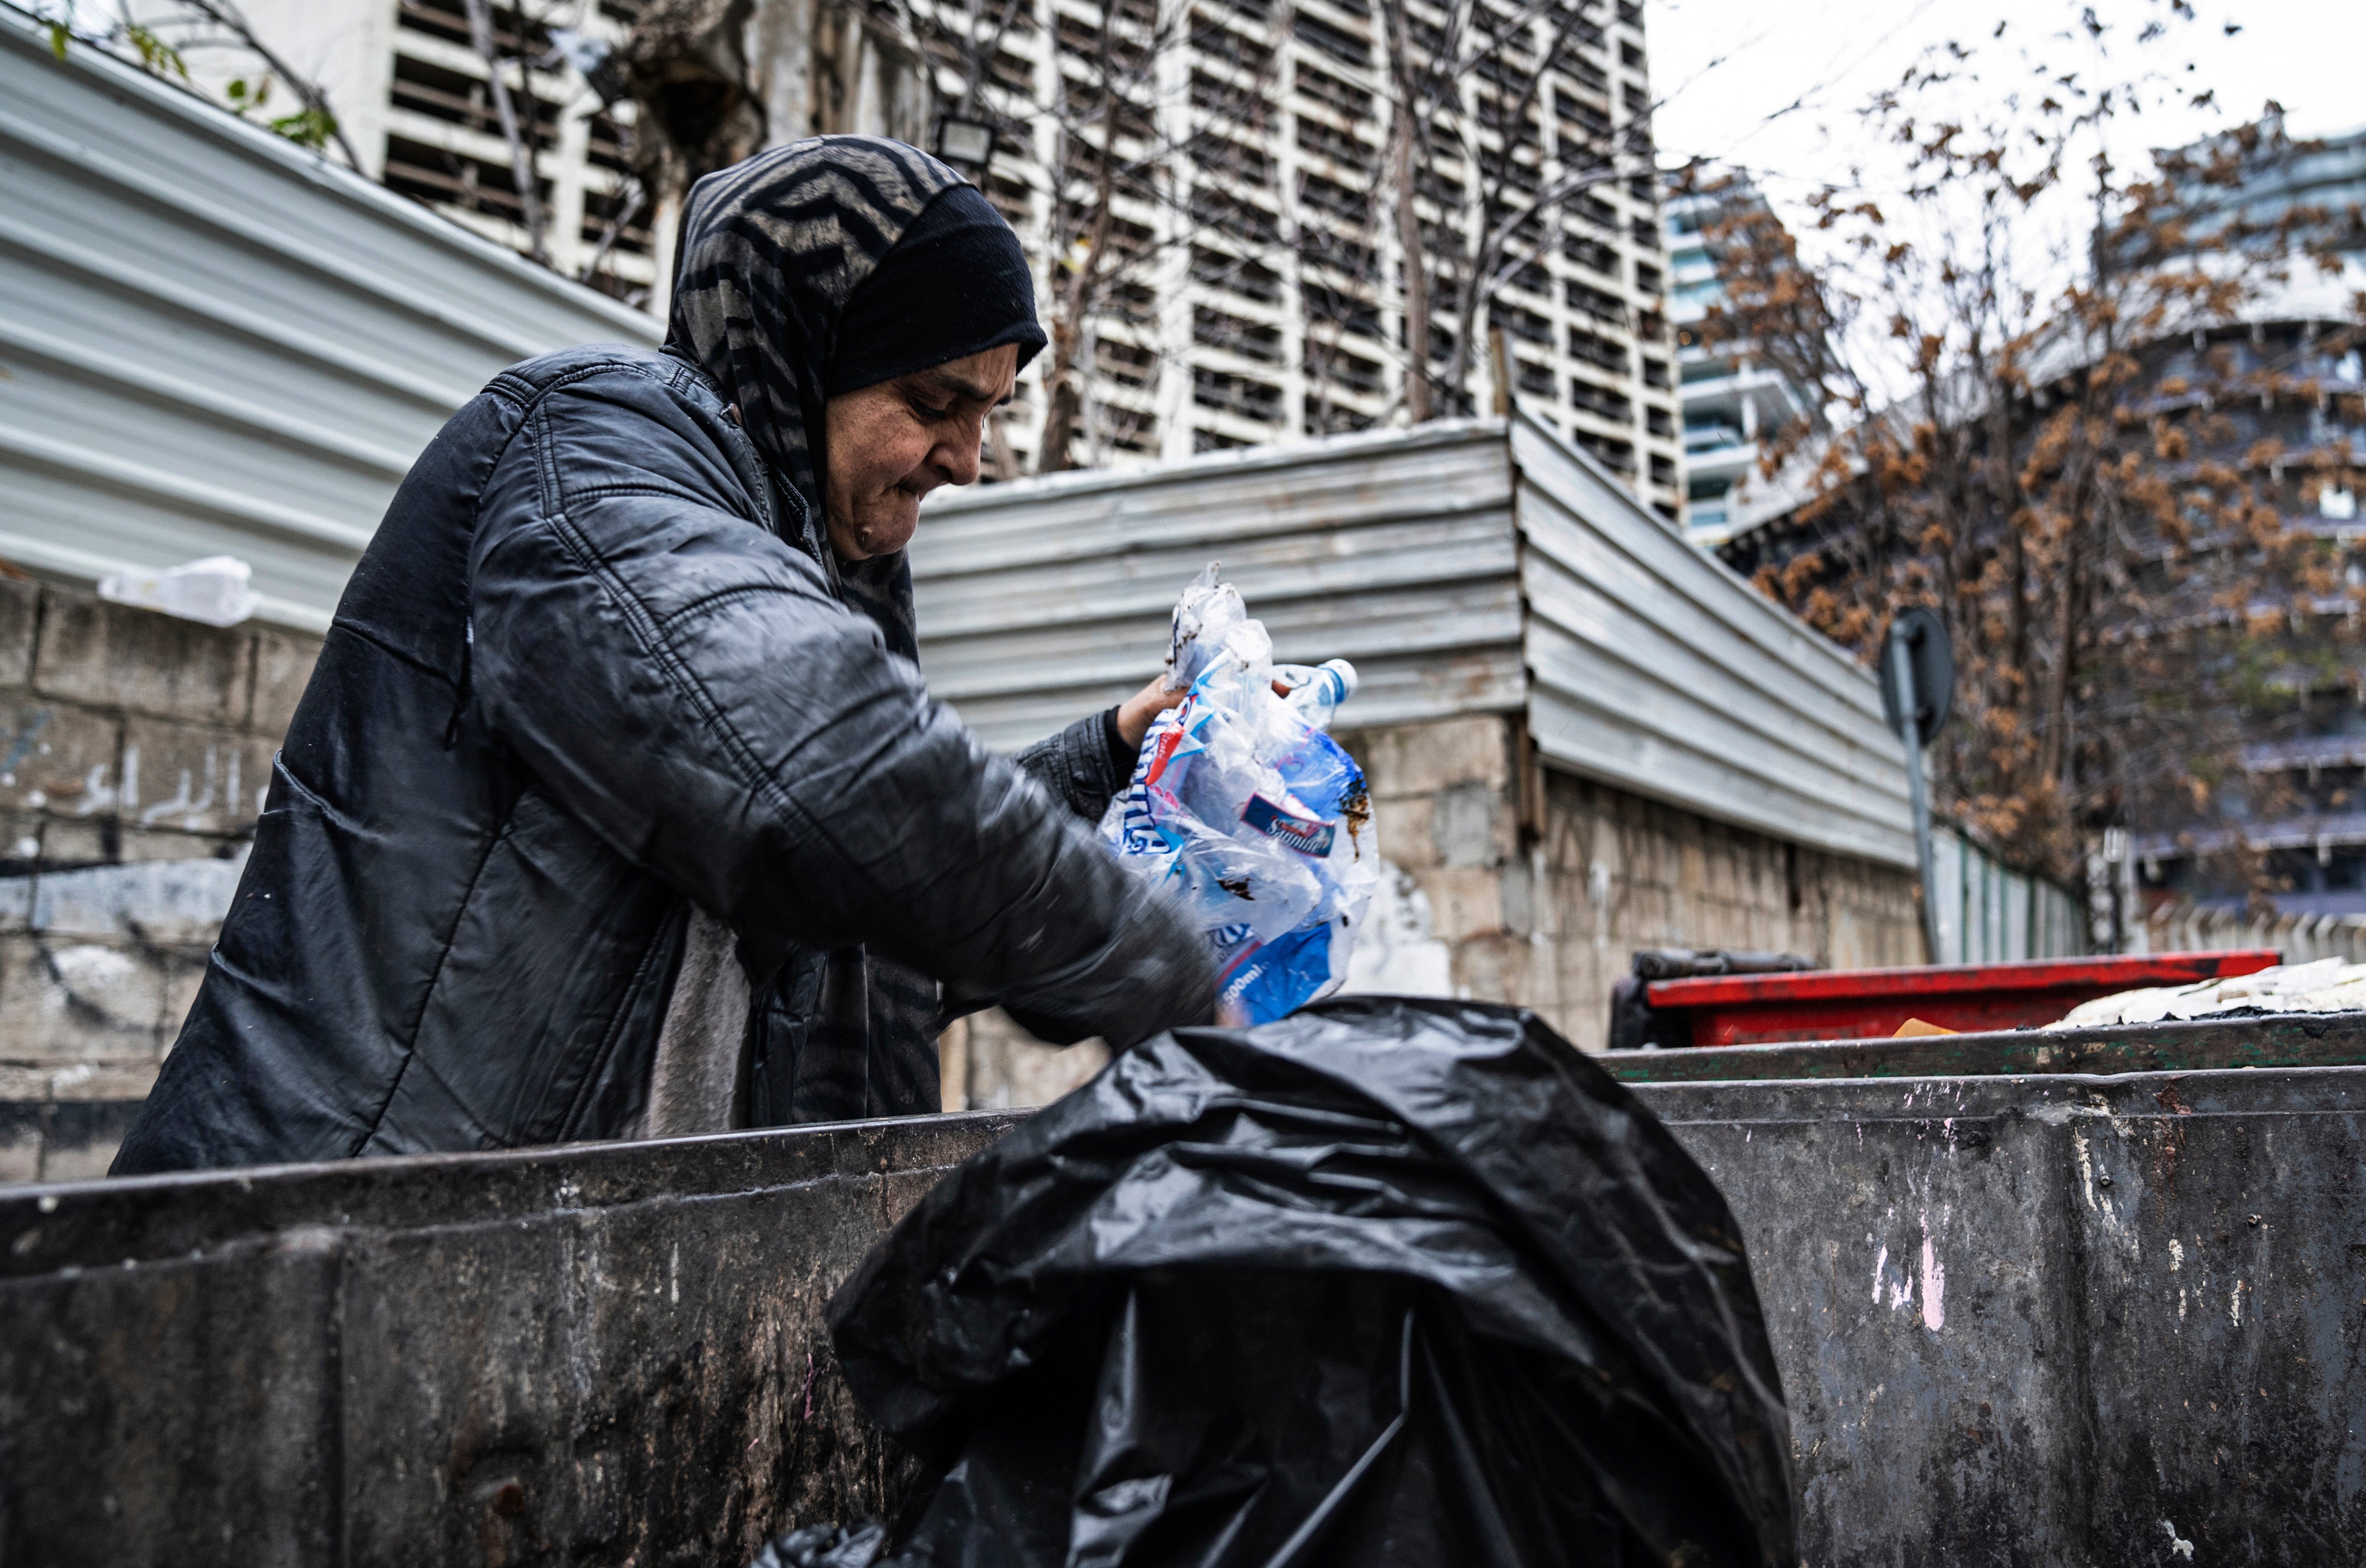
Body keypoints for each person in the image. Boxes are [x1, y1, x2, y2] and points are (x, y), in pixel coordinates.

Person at [111, 137, 1215, 1174]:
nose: (970, 461)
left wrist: (1106, 754)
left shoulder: (802, 556)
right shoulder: (592, 450)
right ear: (804, 350)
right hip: (323, 1259)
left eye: (990, 414)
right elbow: (815, 759)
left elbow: (875, 923)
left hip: (560, 1287)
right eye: (935, 403)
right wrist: (1164, 973)